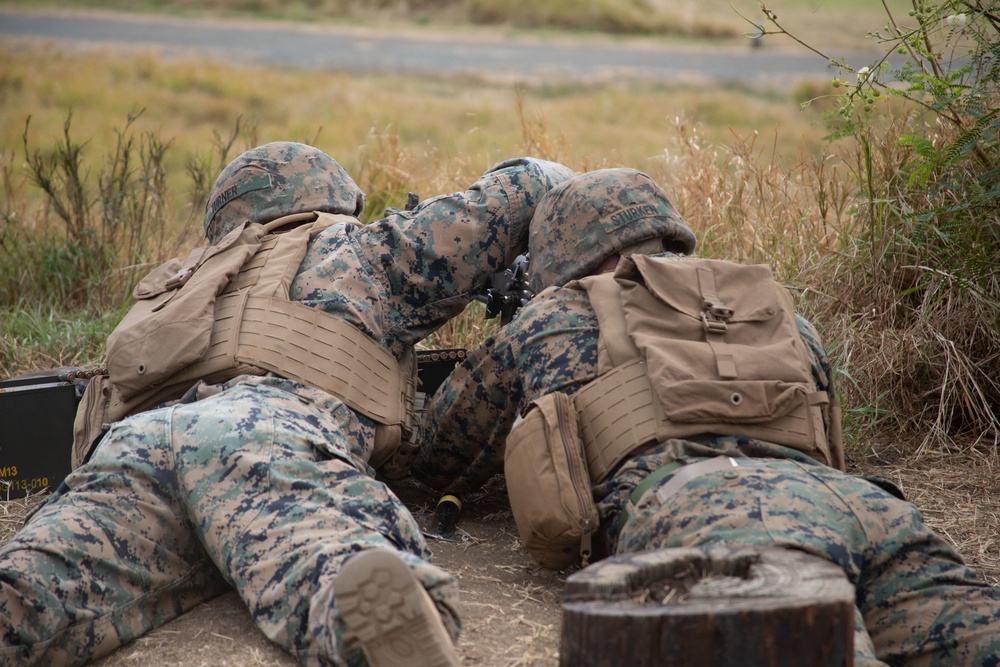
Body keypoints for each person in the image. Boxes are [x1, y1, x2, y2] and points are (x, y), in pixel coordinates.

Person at [0, 141, 574, 667]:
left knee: (35, 586)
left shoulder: (181, 285)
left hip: (137, 444)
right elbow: (521, 189)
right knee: (329, 558)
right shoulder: (357, 250)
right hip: (263, 433)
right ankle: (360, 611)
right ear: (331, 198)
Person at [411, 168, 1000, 666]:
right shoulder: (774, 308)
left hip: (718, 515)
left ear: (561, 251)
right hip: (864, 506)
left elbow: (440, 454)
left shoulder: (551, 314)